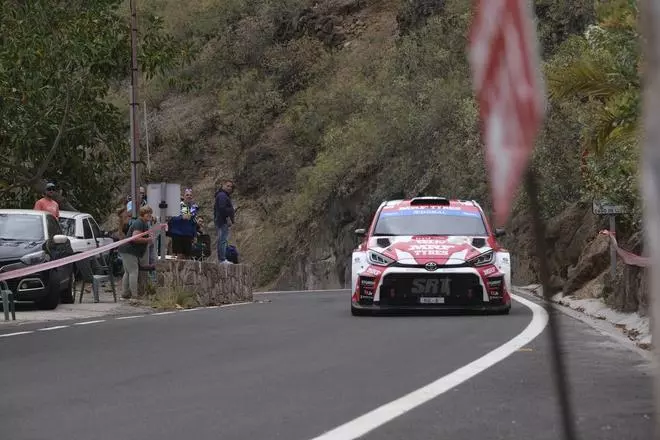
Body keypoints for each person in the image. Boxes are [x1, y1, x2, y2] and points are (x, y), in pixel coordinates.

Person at [118, 205, 154, 299]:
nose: (150, 215)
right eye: (148, 213)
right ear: (143, 214)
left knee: (128, 272)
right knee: (134, 272)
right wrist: (148, 239)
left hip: (126, 250)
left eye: (150, 213)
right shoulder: (139, 223)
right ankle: (135, 296)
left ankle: (125, 294)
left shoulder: (143, 223)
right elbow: (135, 238)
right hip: (129, 250)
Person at [168, 188, 199, 259]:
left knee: (188, 256)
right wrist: (181, 217)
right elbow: (171, 219)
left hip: (188, 234)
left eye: (190, 195)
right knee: (180, 256)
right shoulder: (178, 206)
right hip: (178, 234)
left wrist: (195, 235)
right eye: (187, 195)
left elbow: (193, 222)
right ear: (183, 196)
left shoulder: (194, 207)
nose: (189, 196)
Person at [213, 180, 235, 264]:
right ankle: (222, 259)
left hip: (220, 220)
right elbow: (222, 208)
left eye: (231, 186)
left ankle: (221, 259)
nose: (229, 188)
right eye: (228, 186)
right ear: (223, 185)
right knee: (222, 239)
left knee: (222, 239)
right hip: (222, 220)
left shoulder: (223, 195)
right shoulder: (222, 195)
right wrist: (230, 212)